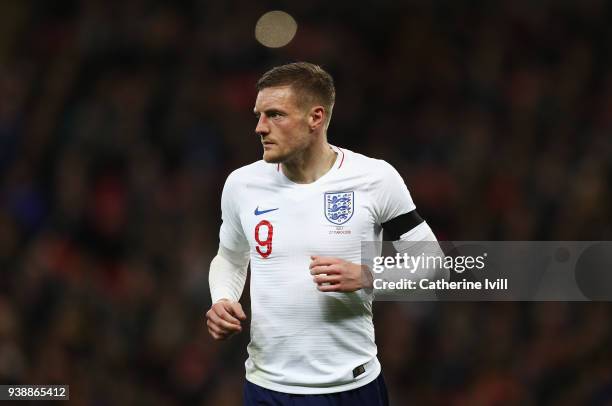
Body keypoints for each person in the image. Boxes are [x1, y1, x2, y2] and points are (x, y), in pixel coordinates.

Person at [206, 62, 439, 405]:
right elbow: (230, 256)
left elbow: (432, 263)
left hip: (352, 388)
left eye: (275, 115)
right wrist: (223, 298)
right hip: (268, 390)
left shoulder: (375, 179)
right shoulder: (242, 184)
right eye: (258, 115)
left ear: (315, 118)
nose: (259, 127)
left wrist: (368, 275)